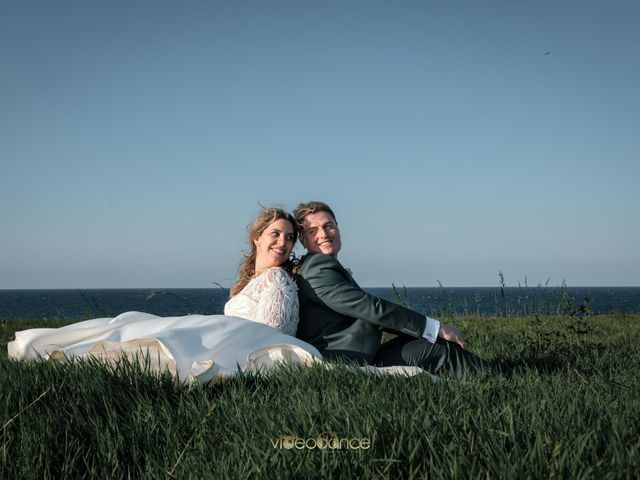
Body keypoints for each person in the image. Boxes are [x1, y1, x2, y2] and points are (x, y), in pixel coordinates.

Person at [8, 208, 321, 383]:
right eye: (275, 234)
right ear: (257, 238)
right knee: (138, 326)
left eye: (290, 237)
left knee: (164, 343)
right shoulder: (251, 281)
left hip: (246, 341)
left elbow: (271, 333)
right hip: (228, 333)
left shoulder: (277, 280)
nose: (283, 242)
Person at [293, 201, 499, 376]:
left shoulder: (319, 266)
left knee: (429, 342)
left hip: (356, 354)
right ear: (303, 240)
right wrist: (434, 328)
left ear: (337, 227)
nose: (324, 234)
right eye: (313, 231)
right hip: (346, 363)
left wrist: (425, 332)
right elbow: (369, 308)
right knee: (439, 350)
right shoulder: (317, 268)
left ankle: (492, 373)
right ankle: (500, 380)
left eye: (329, 226)